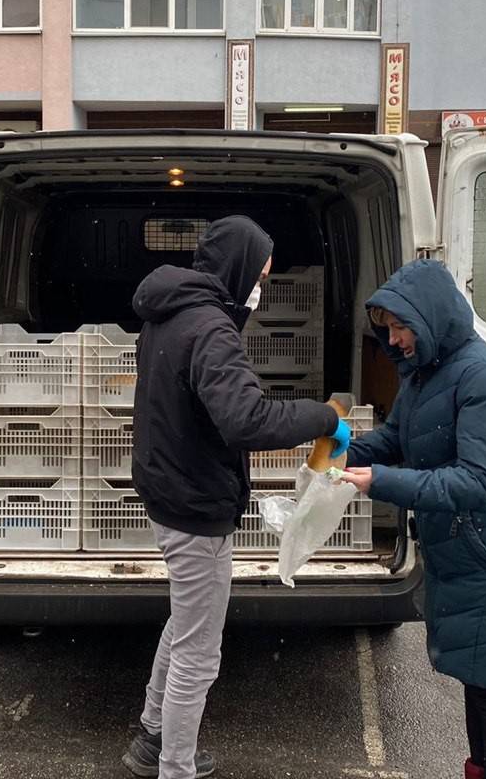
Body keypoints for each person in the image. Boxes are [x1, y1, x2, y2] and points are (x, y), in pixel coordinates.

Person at [124, 215, 350, 779]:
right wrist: (324, 415)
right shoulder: (210, 328)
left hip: (170, 491)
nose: (262, 286)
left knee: (185, 624)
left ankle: (153, 735)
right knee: (200, 655)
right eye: (261, 275)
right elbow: (245, 420)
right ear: (238, 267)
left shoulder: (167, 315)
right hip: (196, 504)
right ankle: (175, 766)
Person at [341, 260, 486, 779]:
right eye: (388, 330)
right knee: (476, 677)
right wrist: (345, 448)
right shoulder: (427, 373)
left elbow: (474, 481)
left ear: (432, 317)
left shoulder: (485, 377)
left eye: (401, 328)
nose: (394, 341)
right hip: (465, 550)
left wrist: (380, 483)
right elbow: (397, 438)